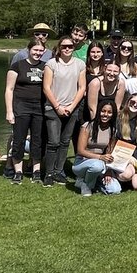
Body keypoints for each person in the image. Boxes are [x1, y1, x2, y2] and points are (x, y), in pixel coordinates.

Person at [41, 36, 87, 186]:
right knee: (53, 142)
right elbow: (46, 87)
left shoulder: (80, 64)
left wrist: (72, 106)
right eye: (64, 46)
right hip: (53, 108)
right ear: (59, 48)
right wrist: (57, 107)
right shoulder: (51, 64)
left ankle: (58, 171)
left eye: (70, 46)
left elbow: (82, 87)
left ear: (74, 48)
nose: (67, 49)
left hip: (71, 108)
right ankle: (48, 173)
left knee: (65, 142)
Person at [4, 39, 46, 184]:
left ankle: (36, 171)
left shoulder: (45, 66)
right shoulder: (17, 66)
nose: (38, 53)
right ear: (28, 50)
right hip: (21, 107)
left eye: (41, 51)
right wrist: (9, 111)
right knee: (19, 139)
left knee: (37, 140)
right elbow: (9, 89)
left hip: (39, 108)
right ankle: (18, 171)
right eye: (35, 50)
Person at [72, 101, 121, 196]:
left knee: (115, 189)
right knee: (97, 166)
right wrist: (100, 157)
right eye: (103, 111)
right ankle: (86, 185)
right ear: (98, 111)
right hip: (82, 163)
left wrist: (108, 171)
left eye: (109, 112)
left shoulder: (113, 129)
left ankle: (93, 182)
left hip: (101, 164)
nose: (105, 114)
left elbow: (110, 153)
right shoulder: (87, 126)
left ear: (113, 114)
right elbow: (80, 151)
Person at [114, 95, 137, 192]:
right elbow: (114, 141)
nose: (135, 105)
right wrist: (128, 158)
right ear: (127, 102)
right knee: (125, 175)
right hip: (122, 155)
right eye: (132, 102)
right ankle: (122, 177)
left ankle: (133, 177)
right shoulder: (118, 117)